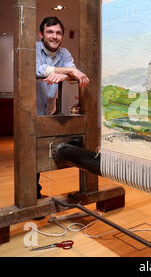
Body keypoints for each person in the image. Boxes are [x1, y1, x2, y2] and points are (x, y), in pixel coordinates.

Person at [36, 16, 89, 199]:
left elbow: (74, 73)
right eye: (50, 32)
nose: (54, 36)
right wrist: (69, 72)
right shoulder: (33, 49)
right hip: (30, 109)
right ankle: (33, 194)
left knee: (44, 150)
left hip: (49, 109)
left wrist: (68, 73)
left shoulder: (64, 53)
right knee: (32, 152)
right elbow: (38, 69)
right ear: (41, 34)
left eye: (58, 33)